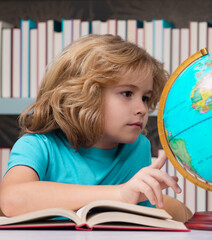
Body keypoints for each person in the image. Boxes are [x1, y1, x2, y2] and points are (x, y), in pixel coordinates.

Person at [0, 34, 181, 217]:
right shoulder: (38, 145)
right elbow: (11, 200)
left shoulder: (138, 148)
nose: (142, 109)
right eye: (127, 93)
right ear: (83, 95)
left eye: (145, 98)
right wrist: (119, 194)